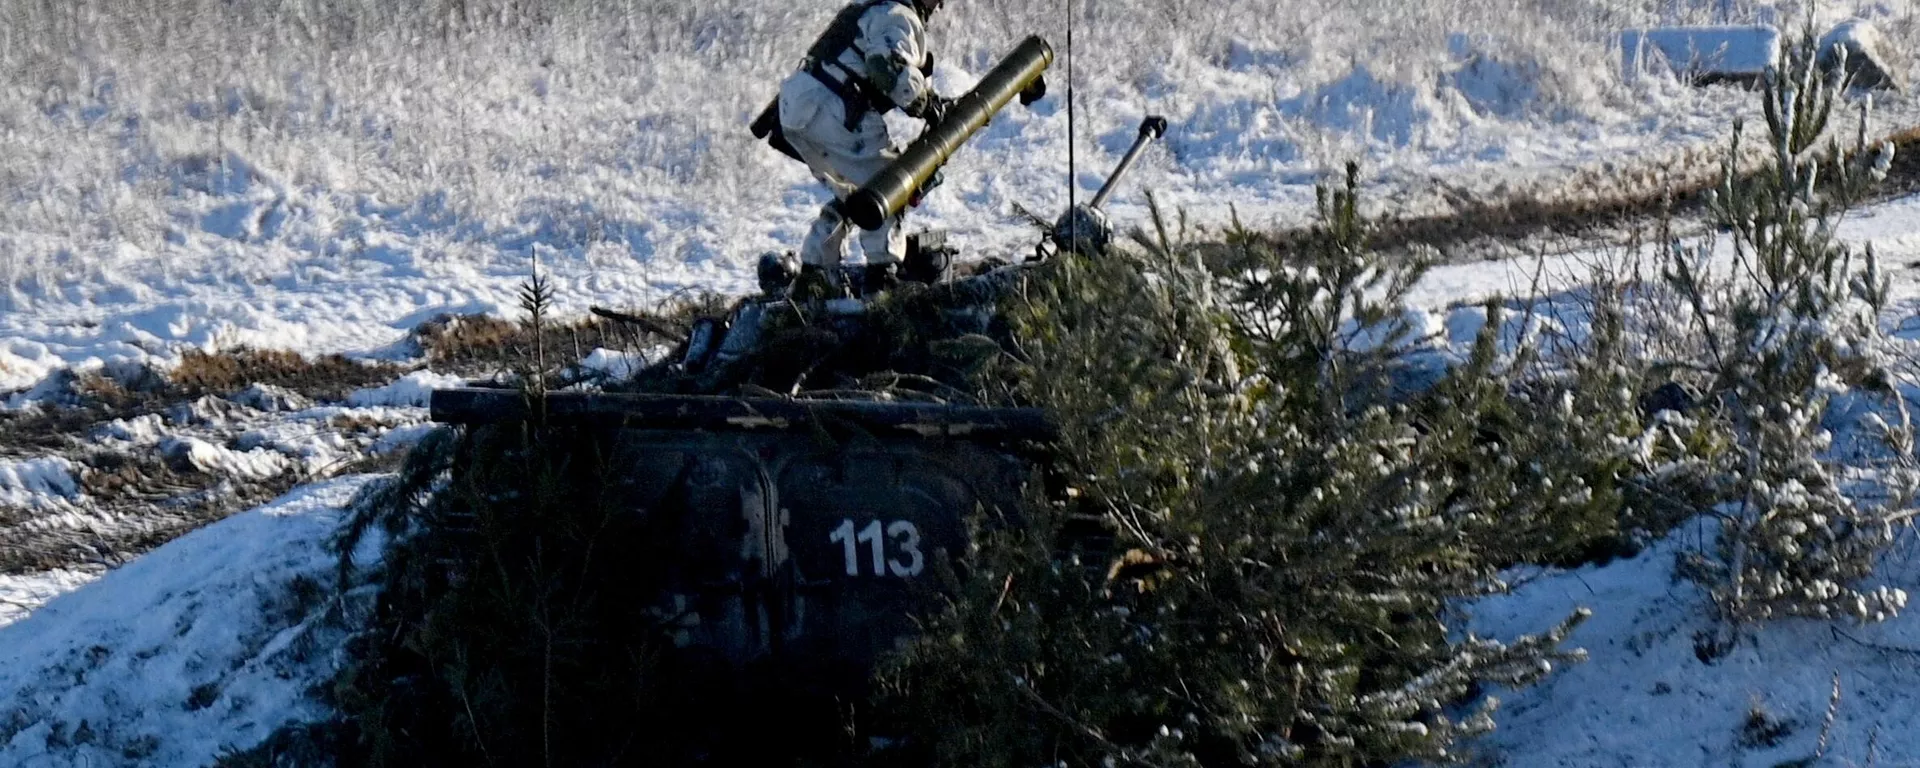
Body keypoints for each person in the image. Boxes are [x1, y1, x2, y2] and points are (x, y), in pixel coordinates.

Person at [773, 0, 951, 297]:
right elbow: (884, 66)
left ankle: (816, 273)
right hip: (833, 106)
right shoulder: (898, 16)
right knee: (891, 186)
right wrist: (927, 104)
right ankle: (882, 276)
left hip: (796, 110)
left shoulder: (867, 9)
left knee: (852, 195)